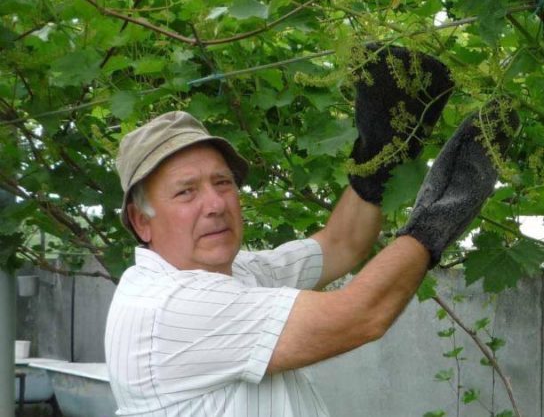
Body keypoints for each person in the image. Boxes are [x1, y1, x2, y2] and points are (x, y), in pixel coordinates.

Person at [104, 45, 519, 416]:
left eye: (223, 182)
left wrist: (378, 160)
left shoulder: (238, 275)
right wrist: (441, 214)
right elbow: (360, 316)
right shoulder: (169, 309)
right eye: (186, 192)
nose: (214, 204)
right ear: (142, 221)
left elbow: (340, 244)